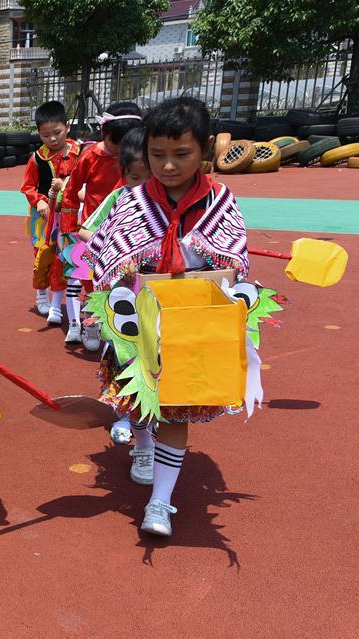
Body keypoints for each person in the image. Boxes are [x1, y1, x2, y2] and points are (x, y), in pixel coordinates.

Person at [86, 96, 249, 537]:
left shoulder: (220, 201)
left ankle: (159, 503)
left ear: (206, 148)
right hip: (138, 321)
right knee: (139, 401)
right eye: (158, 156)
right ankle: (141, 444)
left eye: (182, 155)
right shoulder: (132, 201)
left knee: (174, 412)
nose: (169, 166)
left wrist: (224, 272)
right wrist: (121, 283)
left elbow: (234, 258)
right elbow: (106, 254)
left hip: (190, 326)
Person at [78, 126, 150, 446]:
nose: (141, 187)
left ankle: (149, 417)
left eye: (148, 178)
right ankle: (122, 415)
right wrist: (117, 252)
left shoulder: (169, 206)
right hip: (121, 296)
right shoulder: (119, 200)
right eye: (134, 178)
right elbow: (86, 232)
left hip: (156, 299)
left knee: (152, 361)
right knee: (122, 356)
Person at [59, 102, 143, 347]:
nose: (118, 154)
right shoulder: (90, 156)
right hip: (93, 231)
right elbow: (71, 191)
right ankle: (90, 323)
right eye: (114, 147)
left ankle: (120, 327)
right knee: (90, 280)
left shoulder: (139, 161)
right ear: (105, 135)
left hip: (128, 232)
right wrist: (69, 229)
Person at [20, 100, 81, 323]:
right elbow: (27, 186)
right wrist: (40, 201)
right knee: (43, 255)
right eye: (46, 135)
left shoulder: (80, 153)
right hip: (43, 218)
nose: (52, 139)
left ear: (67, 127)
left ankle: (61, 298)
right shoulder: (37, 158)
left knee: (65, 257)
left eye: (57, 132)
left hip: (70, 215)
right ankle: (41, 292)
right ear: (39, 134)